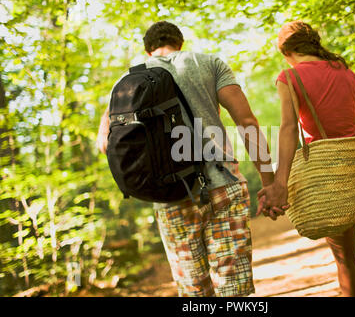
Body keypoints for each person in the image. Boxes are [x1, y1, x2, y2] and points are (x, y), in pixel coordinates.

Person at [96, 21, 282, 297]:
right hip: (223, 187)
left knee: (194, 292)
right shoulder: (209, 63)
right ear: (180, 43)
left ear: (148, 51)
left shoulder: (125, 83)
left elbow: (104, 144)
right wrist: (269, 182)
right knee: (233, 290)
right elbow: (247, 123)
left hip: (171, 196)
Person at [257, 20, 355, 297]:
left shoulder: (290, 77)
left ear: (286, 52)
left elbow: (289, 128)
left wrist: (280, 181)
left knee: (346, 260)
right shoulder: (347, 73)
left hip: (326, 174)